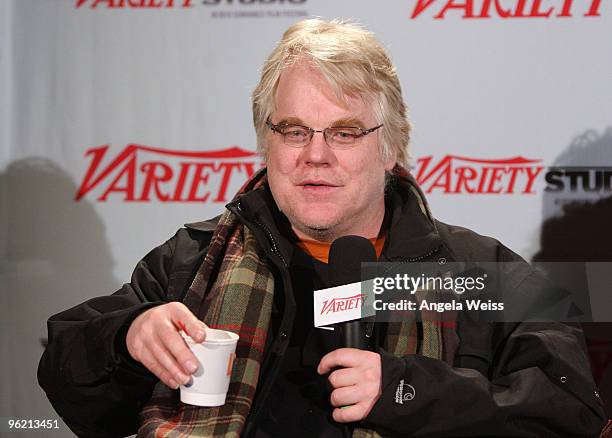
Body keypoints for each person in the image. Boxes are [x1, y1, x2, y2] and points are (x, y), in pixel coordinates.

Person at [38, 18, 606, 437]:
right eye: (293, 130)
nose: (316, 155)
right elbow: (65, 373)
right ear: (267, 143)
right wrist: (128, 337)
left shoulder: (481, 271)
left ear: (390, 148)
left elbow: (571, 414)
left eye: (344, 132)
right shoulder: (194, 258)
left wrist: (406, 390)